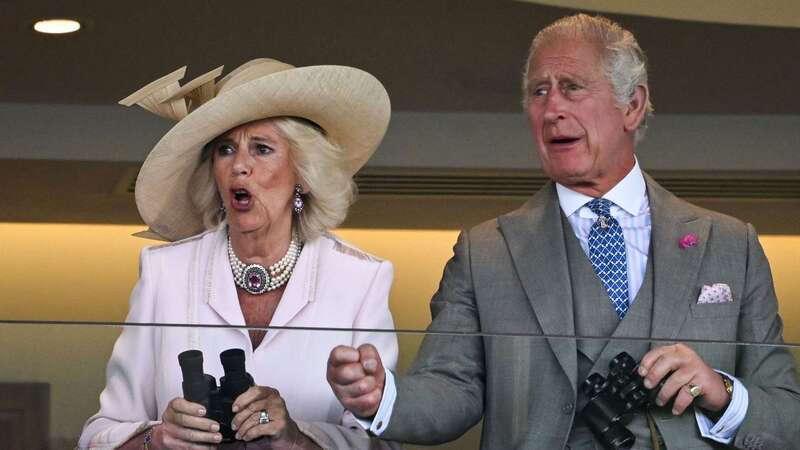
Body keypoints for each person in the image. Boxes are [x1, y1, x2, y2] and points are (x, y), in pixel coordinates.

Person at [327, 14, 800, 449]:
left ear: (632, 106)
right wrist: (381, 397)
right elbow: (451, 389)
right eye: (538, 91)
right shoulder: (486, 253)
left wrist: (722, 393)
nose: (552, 107)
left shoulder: (730, 246)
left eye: (572, 87)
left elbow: (787, 414)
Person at [79, 58, 399, 449]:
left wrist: (294, 440)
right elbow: (97, 437)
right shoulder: (166, 272)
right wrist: (158, 439)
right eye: (226, 149)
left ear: (303, 174)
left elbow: (381, 442)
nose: (239, 166)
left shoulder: (359, 280)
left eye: (261, 149)